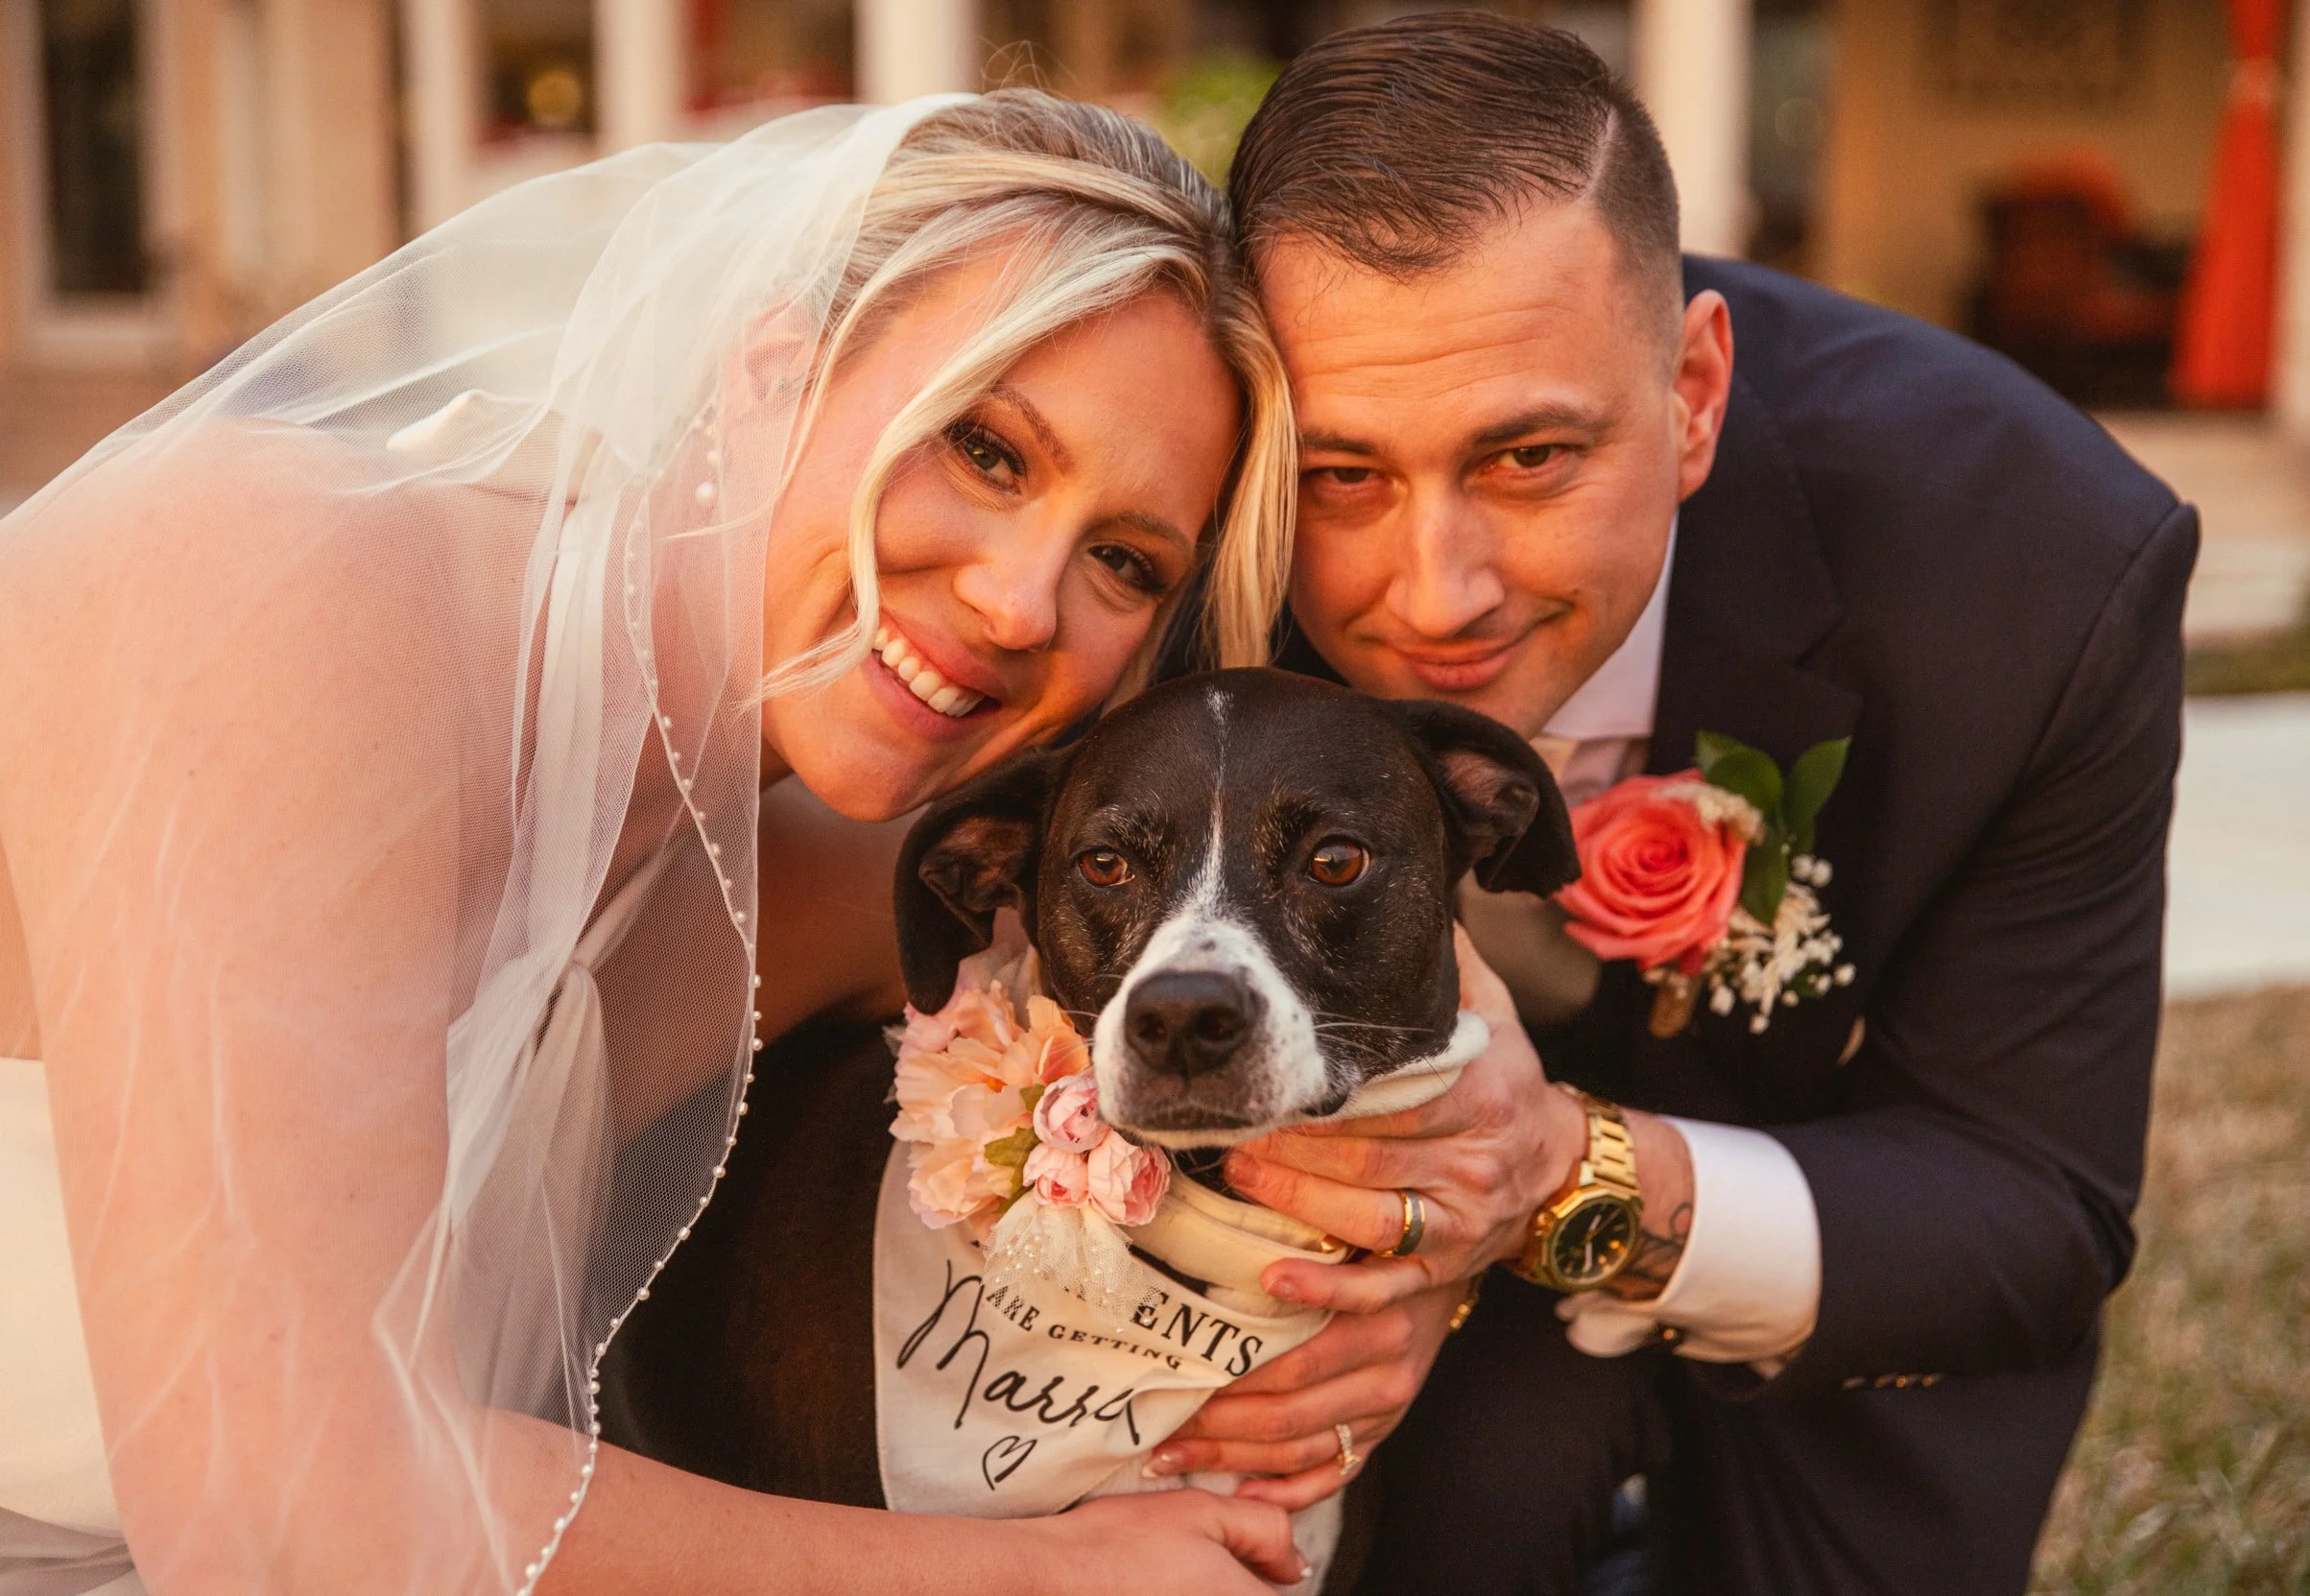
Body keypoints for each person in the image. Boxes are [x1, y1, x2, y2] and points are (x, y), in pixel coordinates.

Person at [0, 91, 1349, 1596]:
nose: (1023, 602)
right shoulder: (280, 586)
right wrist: (1041, 1577)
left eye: (1121, 560)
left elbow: (1340, 976)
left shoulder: (819, 879)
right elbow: (287, 1511)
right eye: (984, 449)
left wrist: (1450, 1233)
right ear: (771, 367)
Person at [1153, 15, 2197, 1595]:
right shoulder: (1183, 508)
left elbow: (2033, 1204)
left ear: (1696, 390)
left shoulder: (2035, 574)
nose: (1437, 592)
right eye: (1346, 476)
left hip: (1818, 1303)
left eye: (1527, 456)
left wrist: (1560, 1174)